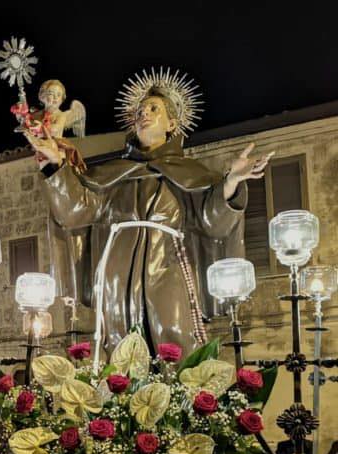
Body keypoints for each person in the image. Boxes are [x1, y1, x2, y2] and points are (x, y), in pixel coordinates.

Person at [28, 70, 271, 353]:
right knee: (120, 348)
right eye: (140, 111)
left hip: (168, 268)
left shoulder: (190, 174)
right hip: (117, 276)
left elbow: (213, 223)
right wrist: (55, 164)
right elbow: (75, 211)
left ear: (172, 124)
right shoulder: (112, 174)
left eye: (154, 109)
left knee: (174, 342)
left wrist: (231, 182)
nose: (144, 113)